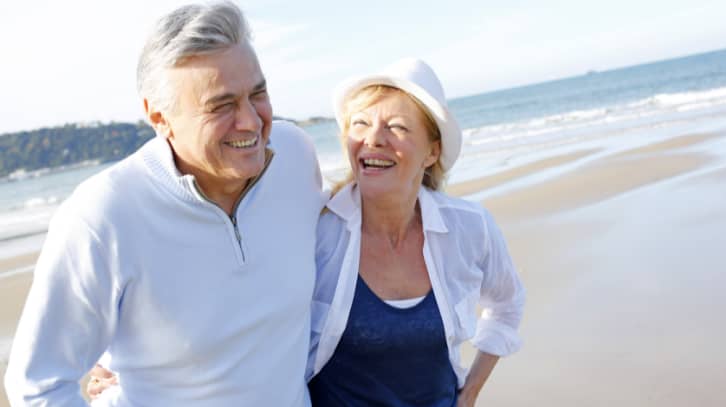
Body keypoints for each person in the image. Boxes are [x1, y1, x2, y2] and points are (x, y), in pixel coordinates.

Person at [3, 2, 325, 406]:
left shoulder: (296, 154)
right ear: (160, 117)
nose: (251, 121)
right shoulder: (103, 216)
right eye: (221, 105)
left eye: (257, 93)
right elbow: (39, 386)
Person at [304, 58, 525, 406]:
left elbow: (507, 306)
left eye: (397, 127)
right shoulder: (315, 231)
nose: (373, 139)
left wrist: (470, 393)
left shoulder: (469, 227)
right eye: (360, 123)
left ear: (432, 152)